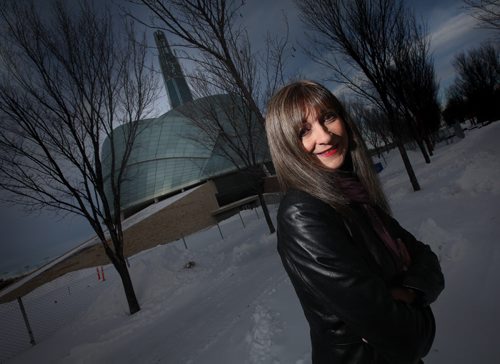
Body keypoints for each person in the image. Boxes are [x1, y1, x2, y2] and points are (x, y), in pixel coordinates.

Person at [265, 80, 444, 364]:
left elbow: (427, 259)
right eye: (304, 131)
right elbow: (405, 338)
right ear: (287, 147)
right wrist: (414, 305)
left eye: (328, 117)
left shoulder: (354, 196)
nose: (324, 136)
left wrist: (408, 293)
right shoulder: (303, 214)